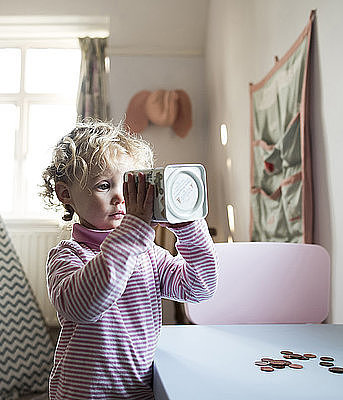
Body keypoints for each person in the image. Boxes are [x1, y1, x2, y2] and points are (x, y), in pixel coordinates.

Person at [40, 120, 218, 399]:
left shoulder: (149, 255)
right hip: (84, 393)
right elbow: (85, 306)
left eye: (129, 184)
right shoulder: (67, 256)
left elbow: (200, 287)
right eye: (103, 185)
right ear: (66, 194)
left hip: (138, 391)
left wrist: (189, 227)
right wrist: (133, 232)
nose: (120, 197)